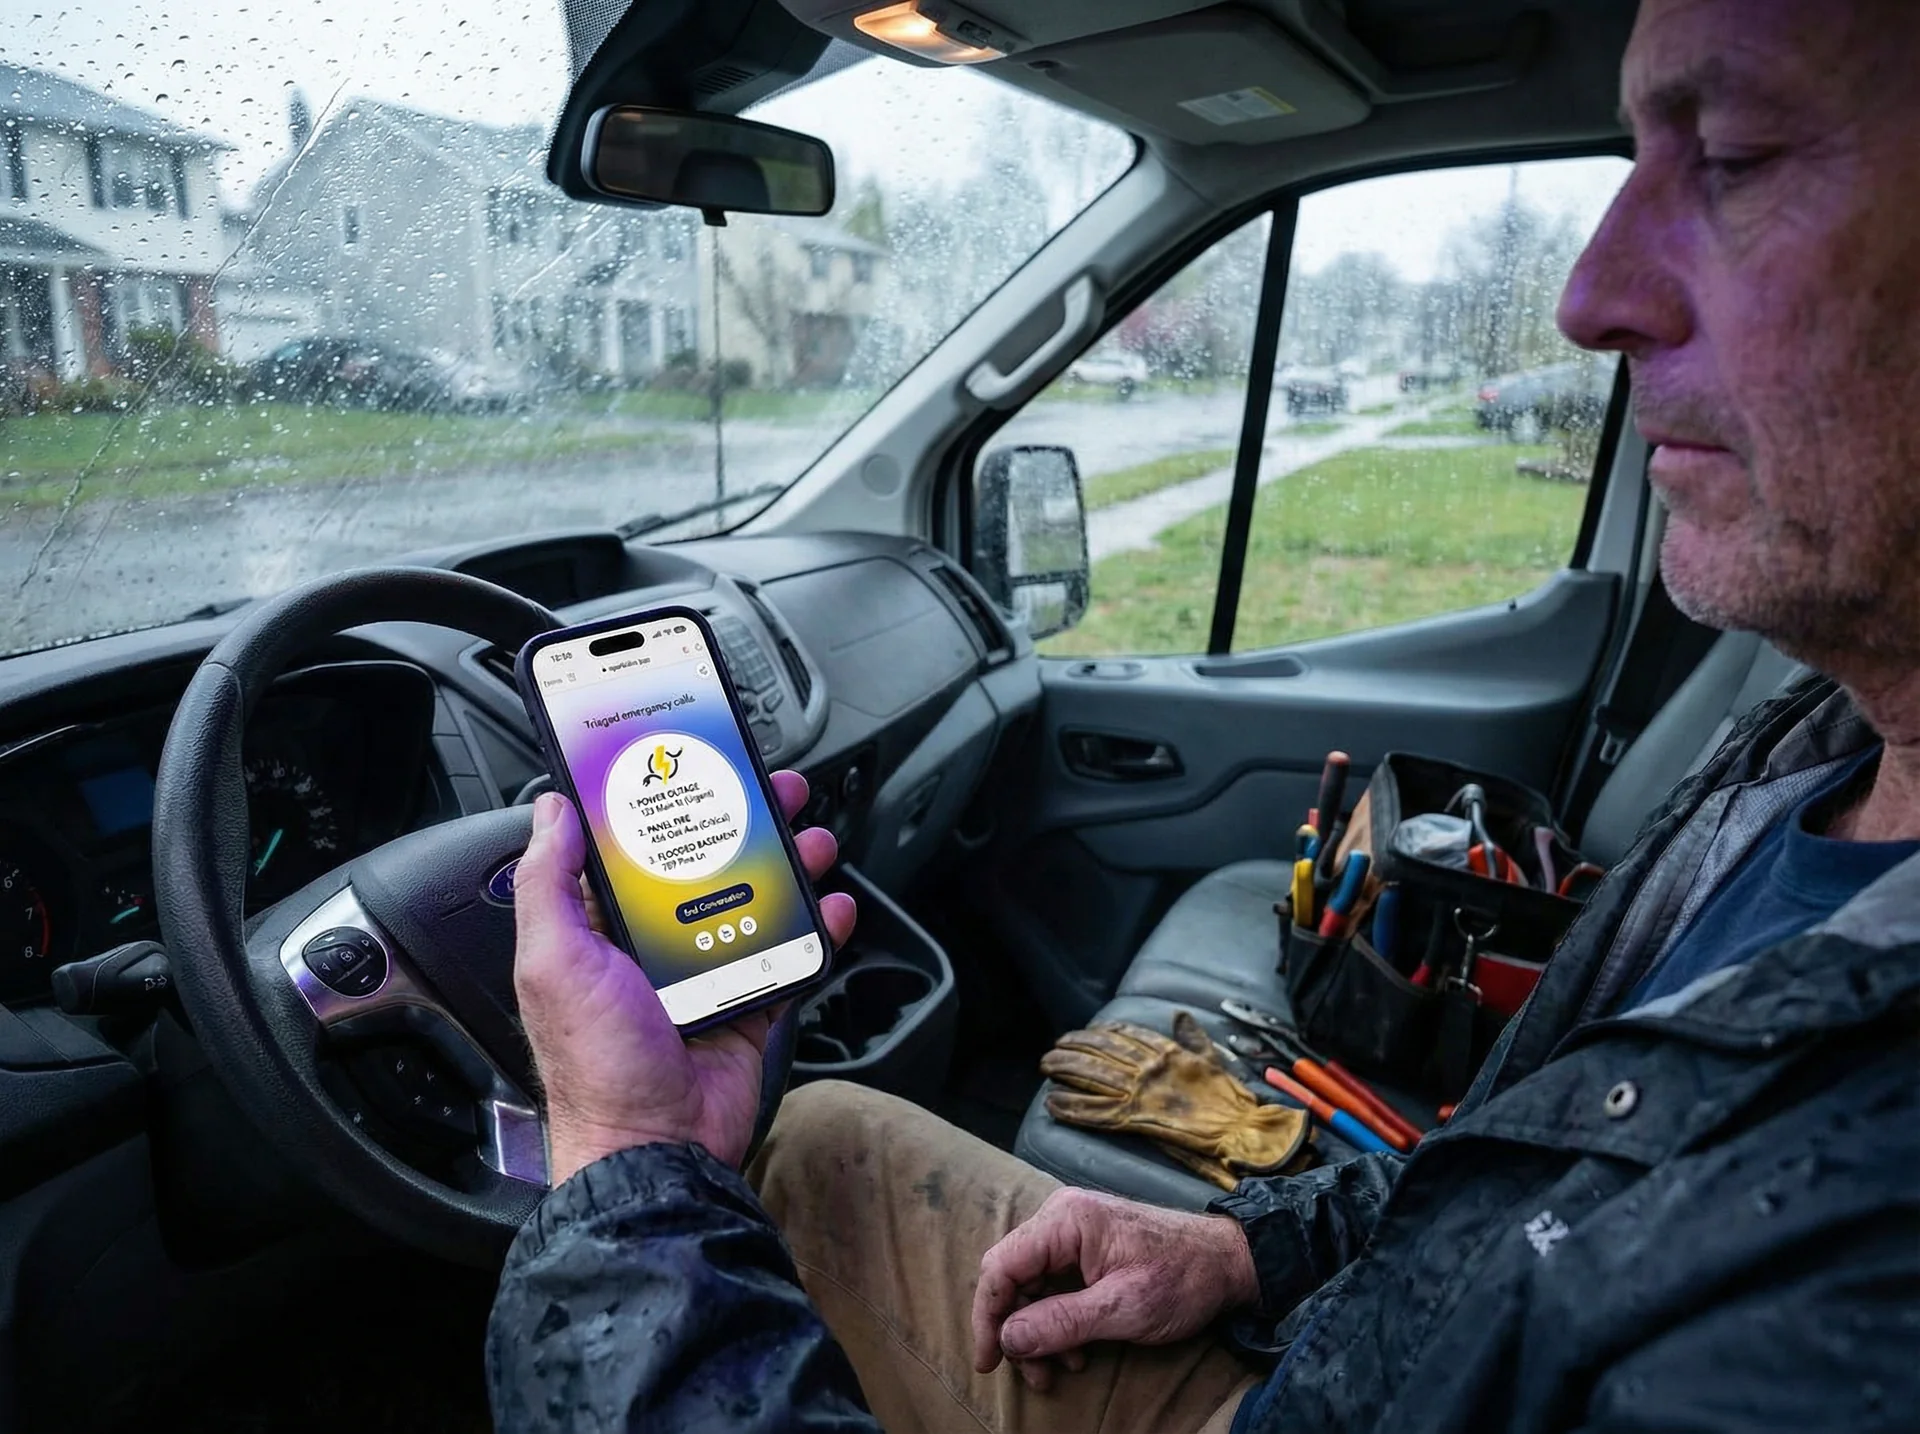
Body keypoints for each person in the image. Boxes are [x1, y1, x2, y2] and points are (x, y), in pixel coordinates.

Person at [486, 1, 1920, 1427]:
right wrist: (1245, 1248)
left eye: (1732, 154)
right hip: (1364, 1354)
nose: (1589, 294)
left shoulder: (1852, 1300)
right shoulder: (1812, 758)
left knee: (723, 1184)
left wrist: (618, 1162)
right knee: (817, 1139)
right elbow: (1548, 1169)